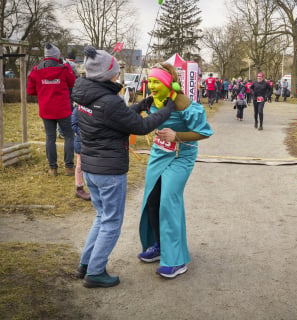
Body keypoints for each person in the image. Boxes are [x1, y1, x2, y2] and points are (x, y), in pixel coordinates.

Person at [72, 46, 174, 288]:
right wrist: (167, 110)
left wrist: (139, 106)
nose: (118, 76)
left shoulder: (86, 94)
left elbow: (112, 118)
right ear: (108, 74)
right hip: (109, 171)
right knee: (111, 222)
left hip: (90, 168)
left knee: (101, 217)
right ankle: (95, 272)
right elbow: (139, 128)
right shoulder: (108, 101)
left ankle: (85, 263)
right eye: (116, 72)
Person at [137, 63, 213, 279]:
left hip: (181, 156)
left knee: (168, 201)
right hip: (158, 154)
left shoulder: (182, 102)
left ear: (168, 83)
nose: (151, 86)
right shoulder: (152, 100)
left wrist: (177, 136)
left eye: (156, 82)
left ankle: (177, 260)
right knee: (152, 199)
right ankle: (160, 245)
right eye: (149, 81)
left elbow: (204, 131)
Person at [27, 43, 77, 176]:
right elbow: (73, 83)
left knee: (50, 138)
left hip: (46, 109)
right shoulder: (64, 69)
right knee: (68, 136)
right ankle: (69, 167)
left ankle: (53, 168)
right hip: (63, 109)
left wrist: (44, 90)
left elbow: (30, 90)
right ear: (57, 55)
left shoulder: (35, 70)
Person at [71, 103, 90, 201]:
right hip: (81, 142)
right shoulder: (77, 109)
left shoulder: (92, 107)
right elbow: (73, 124)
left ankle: (91, 187)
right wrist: (84, 132)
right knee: (80, 164)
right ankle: (79, 188)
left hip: (90, 141)